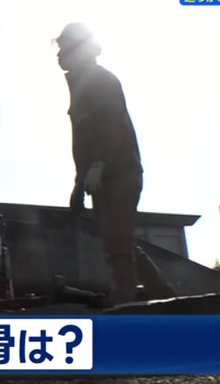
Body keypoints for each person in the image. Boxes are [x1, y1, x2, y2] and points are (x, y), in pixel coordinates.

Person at [54, 22, 176, 306]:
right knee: (121, 244)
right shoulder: (82, 85)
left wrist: (101, 163)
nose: (59, 55)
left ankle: (124, 309)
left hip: (119, 173)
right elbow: (83, 141)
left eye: (64, 48)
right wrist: (79, 183)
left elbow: (113, 126)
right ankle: (168, 298)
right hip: (101, 178)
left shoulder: (101, 80)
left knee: (117, 248)